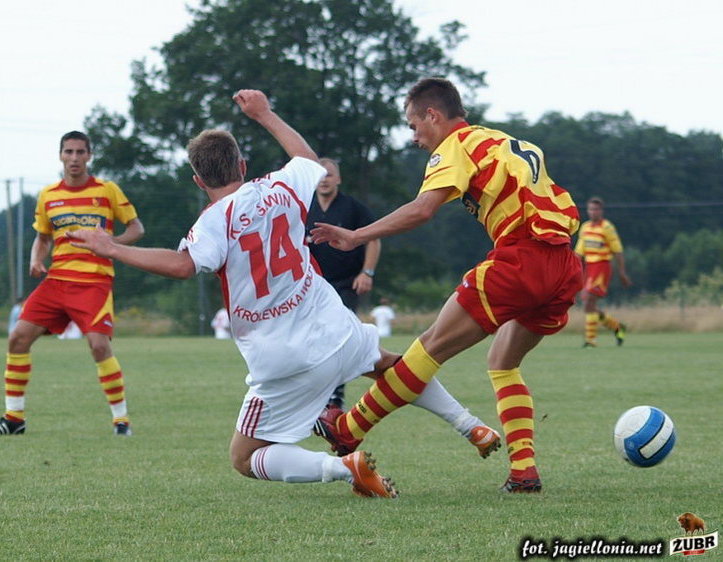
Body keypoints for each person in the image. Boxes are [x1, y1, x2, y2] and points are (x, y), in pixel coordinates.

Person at [68, 89, 499, 497]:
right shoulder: (280, 186)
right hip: (333, 327)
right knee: (393, 366)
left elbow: (182, 265)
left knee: (244, 457)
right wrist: (264, 114)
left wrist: (112, 248)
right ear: (242, 165)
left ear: (199, 181)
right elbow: (307, 159)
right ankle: (470, 425)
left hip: (282, 356)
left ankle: (343, 467)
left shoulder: (213, 221)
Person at [311, 77, 584, 493]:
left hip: (521, 259)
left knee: (429, 348)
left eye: (413, 125)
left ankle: (349, 427)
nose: (414, 137)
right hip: (563, 266)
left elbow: (423, 210)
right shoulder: (500, 139)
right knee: (503, 361)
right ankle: (524, 472)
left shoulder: (455, 144)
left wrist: (356, 236)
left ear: (433, 115)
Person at [0, 131, 145, 437]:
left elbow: (136, 228)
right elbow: (42, 238)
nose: (74, 158)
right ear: (60, 156)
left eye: (80, 152)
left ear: (89, 156)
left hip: (93, 281)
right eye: (69, 152)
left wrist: (113, 245)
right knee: (17, 338)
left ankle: (121, 422)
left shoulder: (106, 190)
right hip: (56, 281)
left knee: (99, 346)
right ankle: (13, 419)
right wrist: (35, 259)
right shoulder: (49, 195)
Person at [305, 158, 381, 410]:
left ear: (338, 179)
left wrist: (367, 272)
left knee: (337, 337)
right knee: (314, 340)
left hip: (347, 284)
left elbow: (373, 239)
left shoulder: (352, 208)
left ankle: (335, 396)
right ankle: (317, 395)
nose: (324, 179)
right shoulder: (305, 208)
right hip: (313, 286)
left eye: (329, 174)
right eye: (320, 175)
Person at [574, 197, 632, 347]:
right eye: (591, 209)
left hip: (601, 268)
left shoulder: (607, 227)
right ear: (587, 210)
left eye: (596, 209)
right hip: (589, 268)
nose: (593, 212)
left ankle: (590, 340)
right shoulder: (585, 227)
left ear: (601, 211)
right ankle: (617, 327)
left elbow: (617, 251)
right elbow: (579, 253)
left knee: (589, 302)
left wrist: (622, 272)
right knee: (589, 305)